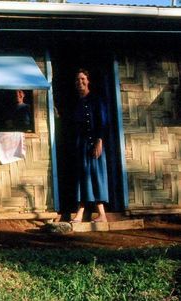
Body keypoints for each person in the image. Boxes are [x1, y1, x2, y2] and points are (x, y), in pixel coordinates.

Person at [70, 69, 109, 223]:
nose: (80, 82)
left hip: (95, 142)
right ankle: (80, 213)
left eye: (83, 79)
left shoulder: (96, 100)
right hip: (81, 144)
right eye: (78, 80)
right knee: (82, 178)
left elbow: (103, 122)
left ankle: (102, 214)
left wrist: (99, 141)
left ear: (88, 80)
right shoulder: (76, 103)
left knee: (96, 176)